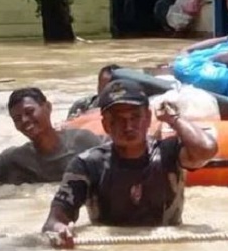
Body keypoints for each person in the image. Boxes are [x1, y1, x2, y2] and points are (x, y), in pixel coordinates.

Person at [42, 79, 218, 248]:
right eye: (118, 119)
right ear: (106, 124)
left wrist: (174, 119)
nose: (128, 126)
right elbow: (54, 220)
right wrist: (60, 230)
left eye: (135, 117)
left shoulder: (169, 152)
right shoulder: (87, 164)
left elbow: (207, 149)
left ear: (148, 118)